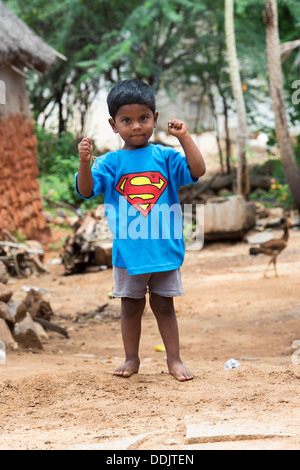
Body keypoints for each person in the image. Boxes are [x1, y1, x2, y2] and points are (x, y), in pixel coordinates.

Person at [76, 79, 206, 381]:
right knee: (131, 308)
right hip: (129, 253)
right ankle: (131, 358)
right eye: (127, 120)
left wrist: (184, 137)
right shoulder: (109, 163)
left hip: (164, 250)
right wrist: (84, 162)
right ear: (113, 124)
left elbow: (197, 170)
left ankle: (174, 360)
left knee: (164, 306)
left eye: (143, 118)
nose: (136, 126)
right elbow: (85, 190)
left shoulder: (166, 157)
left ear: (155, 119)